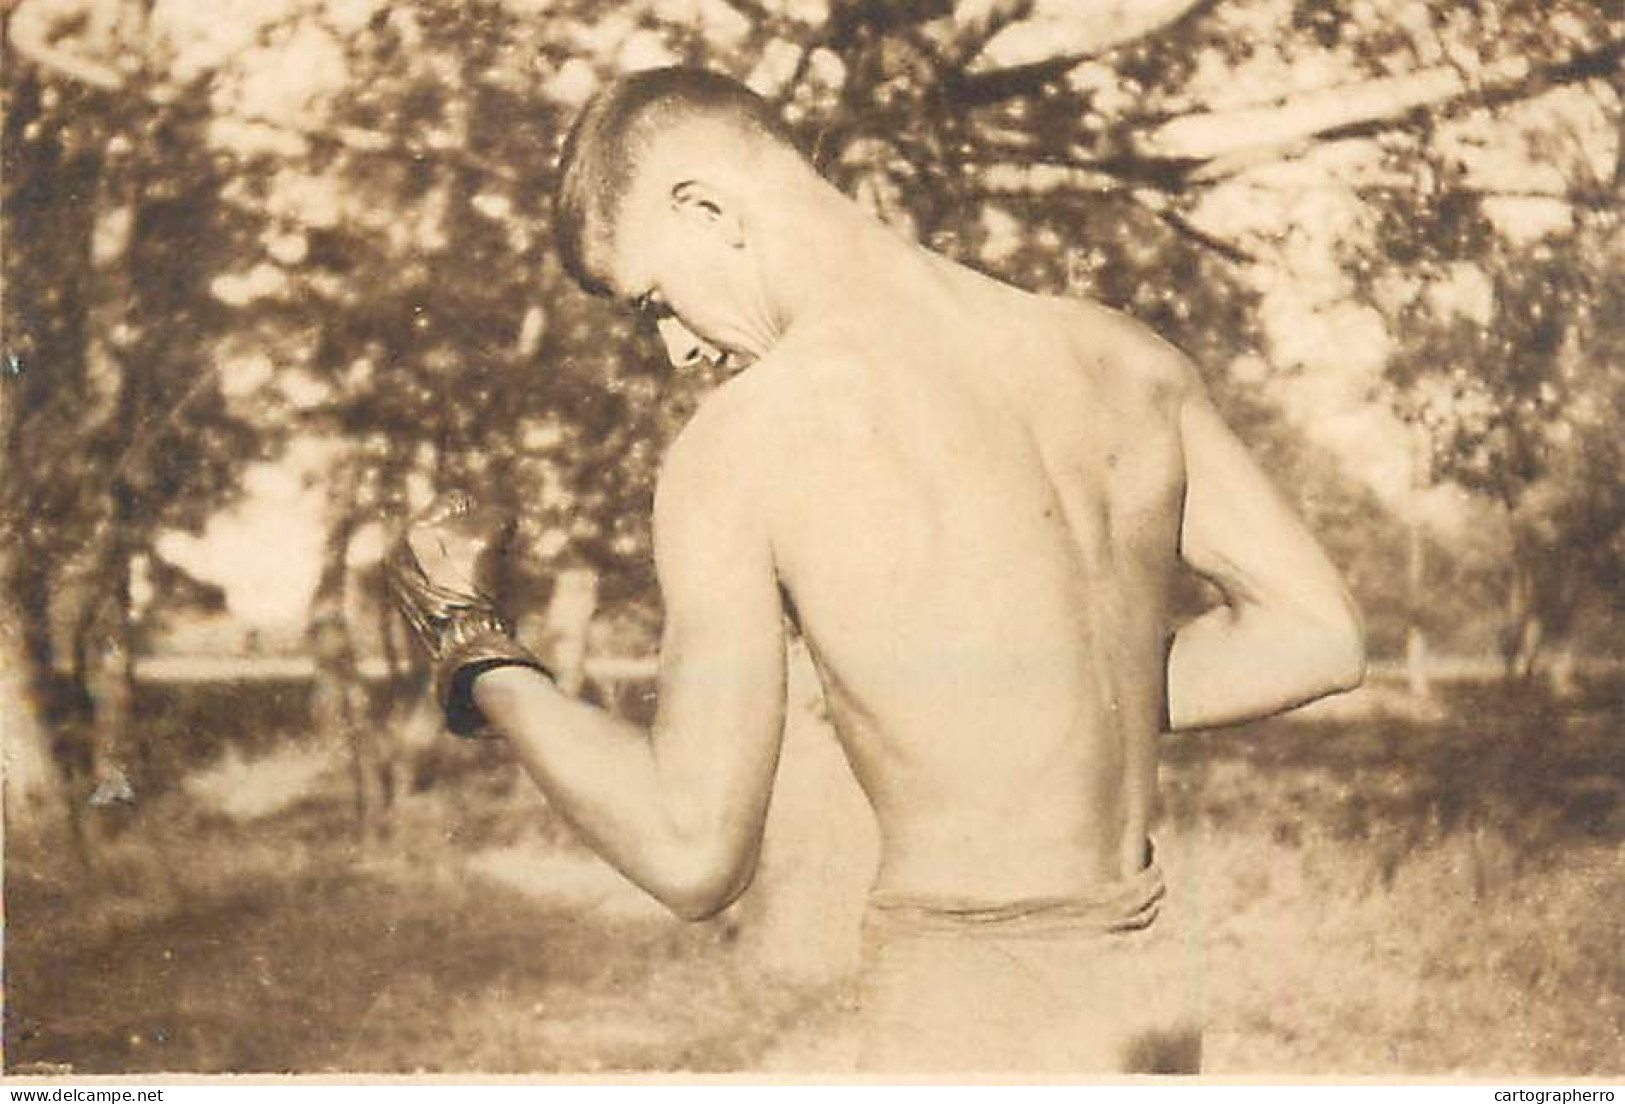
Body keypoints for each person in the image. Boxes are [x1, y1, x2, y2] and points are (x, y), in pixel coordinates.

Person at [386, 66, 1366, 1074]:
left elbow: (690, 853)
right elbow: (1314, 635)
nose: (676, 350)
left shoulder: (749, 440)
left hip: (971, 1005)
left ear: (706, 209)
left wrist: (471, 640)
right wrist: (1054, 688)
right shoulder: (1119, 356)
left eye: (651, 303)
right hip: (1151, 997)